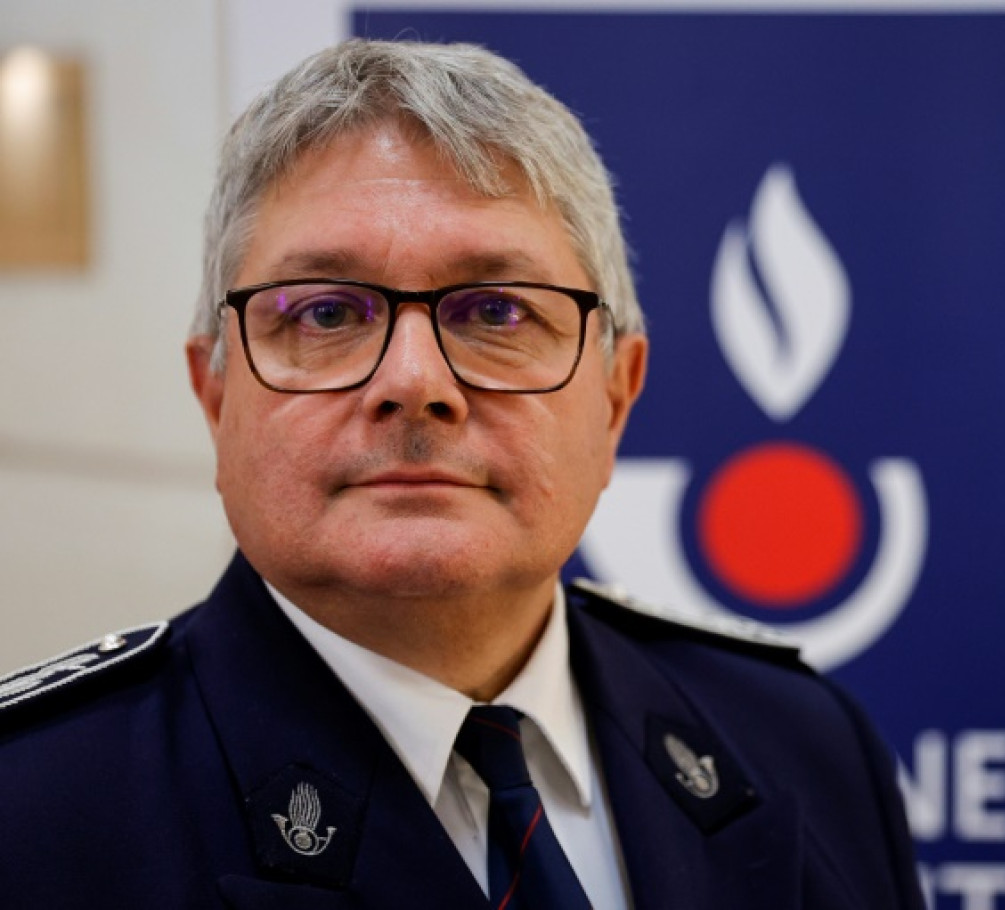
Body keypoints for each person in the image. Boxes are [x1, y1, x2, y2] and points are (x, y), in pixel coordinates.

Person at [0, 39, 923, 908]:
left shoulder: (804, 743)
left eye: (495, 310)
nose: (413, 383)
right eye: (324, 314)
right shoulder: (30, 808)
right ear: (215, 395)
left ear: (615, 397)